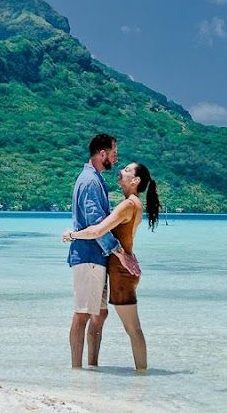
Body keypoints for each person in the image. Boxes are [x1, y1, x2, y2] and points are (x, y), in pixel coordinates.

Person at [64, 161, 159, 372]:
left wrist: (71, 235)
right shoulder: (133, 203)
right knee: (124, 325)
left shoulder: (129, 205)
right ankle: (103, 371)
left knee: (133, 329)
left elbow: (97, 231)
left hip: (122, 273)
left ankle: (142, 377)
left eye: (127, 170)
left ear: (135, 180)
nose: (121, 170)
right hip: (119, 271)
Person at [66, 134, 136, 369]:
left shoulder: (95, 179)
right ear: (102, 153)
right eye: (114, 154)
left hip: (97, 256)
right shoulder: (90, 181)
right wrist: (120, 252)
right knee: (83, 313)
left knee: (100, 313)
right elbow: (96, 224)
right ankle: (77, 370)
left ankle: (92, 368)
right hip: (88, 255)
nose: (116, 159)